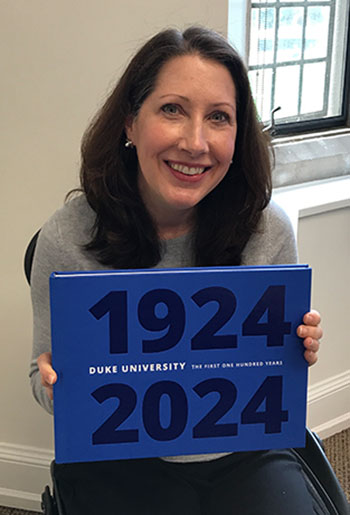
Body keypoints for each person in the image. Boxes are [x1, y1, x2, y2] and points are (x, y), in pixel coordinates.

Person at [30, 26, 323, 514]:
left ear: (238, 133)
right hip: (120, 458)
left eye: (219, 117)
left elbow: (269, 382)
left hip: (245, 453)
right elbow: (39, 379)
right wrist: (57, 386)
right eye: (172, 109)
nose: (195, 141)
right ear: (130, 123)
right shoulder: (68, 237)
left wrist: (296, 350)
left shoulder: (268, 231)